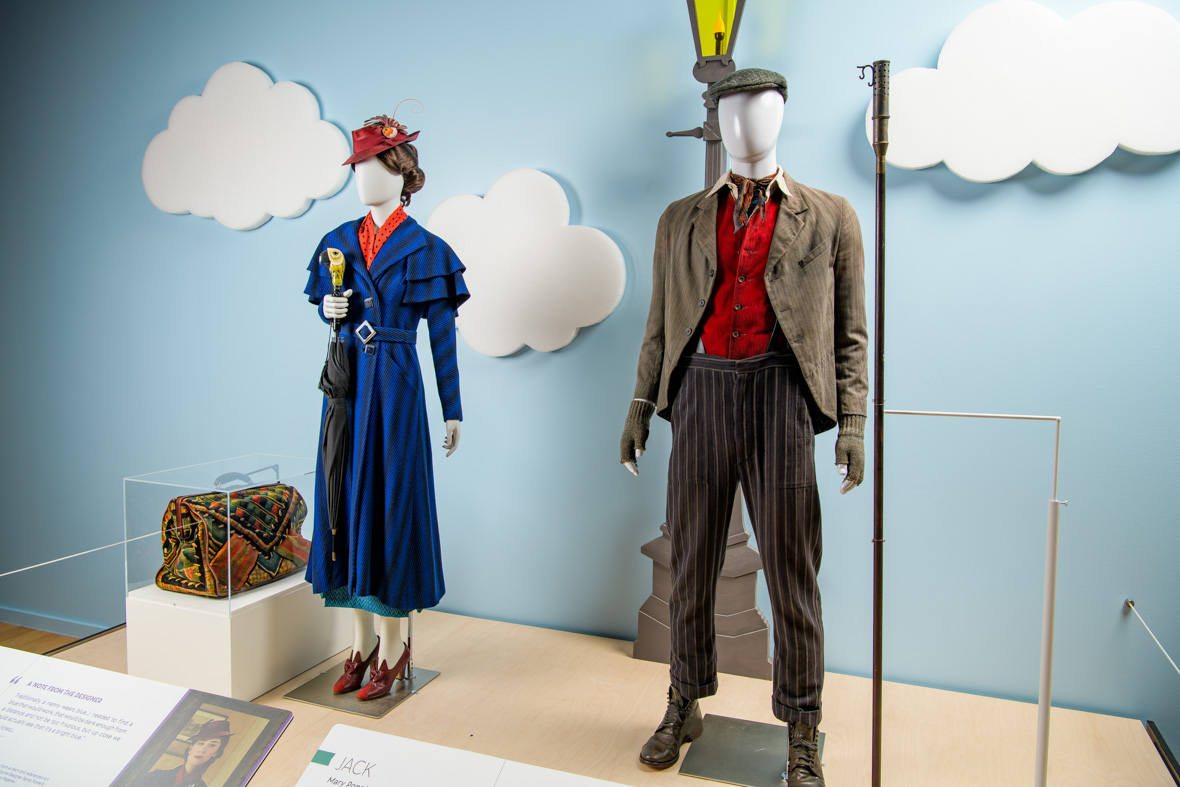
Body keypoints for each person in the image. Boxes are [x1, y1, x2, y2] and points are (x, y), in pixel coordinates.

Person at [619, 68, 868, 786]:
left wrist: (852, 418)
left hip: (782, 393)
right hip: (700, 389)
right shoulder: (681, 218)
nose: (741, 124)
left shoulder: (831, 215)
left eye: (757, 109)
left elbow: (850, 332)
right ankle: (683, 700)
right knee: (690, 558)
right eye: (728, 110)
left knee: (793, 569)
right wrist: (639, 406)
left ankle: (802, 725)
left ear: (781, 115)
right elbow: (660, 321)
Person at [304, 109, 469, 701]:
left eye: (372, 166)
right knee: (342, 499)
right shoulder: (337, 242)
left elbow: (443, 340)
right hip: (346, 387)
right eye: (357, 169)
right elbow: (321, 298)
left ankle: (395, 650)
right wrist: (331, 310)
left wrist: (452, 409)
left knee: (391, 504)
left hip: (396, 384)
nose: (362, 179)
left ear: (401, 173)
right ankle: (360, 643)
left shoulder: (428, 250)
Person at [138, 719, 233, 787]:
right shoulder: (156, 776)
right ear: (190, 748)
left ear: (216, 753)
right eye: (200, 743)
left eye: (212, 745)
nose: (202, 750)